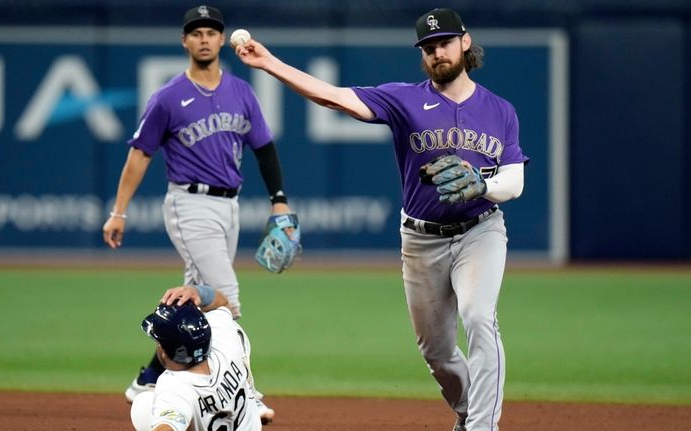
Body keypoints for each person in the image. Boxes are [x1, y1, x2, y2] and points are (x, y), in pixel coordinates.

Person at [235, 8, 527, 431]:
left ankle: (483, 426)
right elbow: (332, 96)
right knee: (438, 354)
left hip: (479, 230)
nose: (436, 53)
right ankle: (467, 414)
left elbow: (515, 180)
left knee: (480, 318)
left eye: (444, 43)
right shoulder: (405, 99)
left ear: (465, 42)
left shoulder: (500, 110)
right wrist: (269, 63)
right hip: (421, 240)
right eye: (428, 48)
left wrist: (482, 187)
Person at [102, 4, 289, 419]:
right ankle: (246, 391)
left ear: (222, 40)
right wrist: (119, 212)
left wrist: (278, 199)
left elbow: (264, 147)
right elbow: (139, 155)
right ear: (185, 41)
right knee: (227, 299)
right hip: (189, 204)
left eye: (211, 32)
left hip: (230, 205)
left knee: (193, 300)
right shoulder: (168, 97)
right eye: (196, 32)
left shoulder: (241, 92)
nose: (204, 38)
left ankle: (147, 380)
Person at [130, 285, 266, 431]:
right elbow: (223, 303)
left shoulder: (174, 385)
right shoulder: (225, 339)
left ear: (164, 351)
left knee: (143, 405)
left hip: (183, 402)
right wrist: (198, 292)